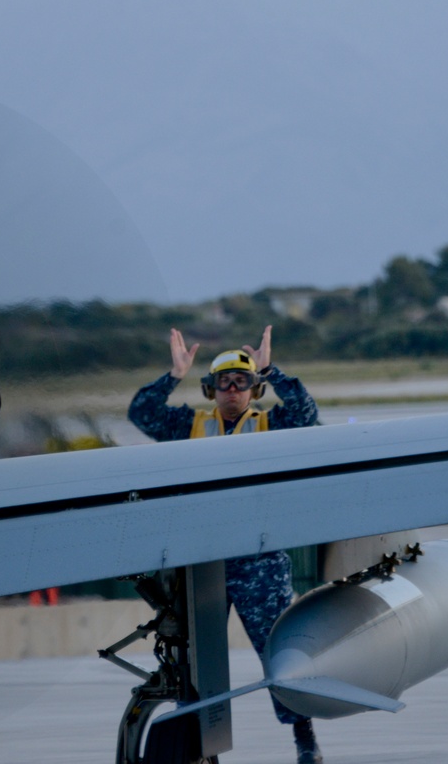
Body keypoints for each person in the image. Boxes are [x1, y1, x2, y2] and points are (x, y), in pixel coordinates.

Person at [128, 325, 323, 764]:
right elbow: (140, 413)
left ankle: (303, 737)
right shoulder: (188, 425)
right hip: (202, 564)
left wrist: (273, 370)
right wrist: (173, 374)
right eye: (223, 382)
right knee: (194, 663)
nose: (232, 390)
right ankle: (196, 744)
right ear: (211, 389)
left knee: (280, 654)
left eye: (243, 381)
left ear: (255, 390)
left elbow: (307, 414)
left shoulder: (271, 424)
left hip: (259, 562)